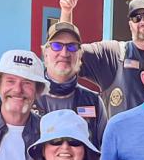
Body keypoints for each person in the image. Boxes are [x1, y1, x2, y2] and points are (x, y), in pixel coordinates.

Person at [34, 20, 108, 148]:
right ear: (45, 53)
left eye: (72, 47)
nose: (64, 53)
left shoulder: (93, 102)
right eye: (56, 45)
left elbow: (105, 153)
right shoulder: (30, 97)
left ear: (79, 56)